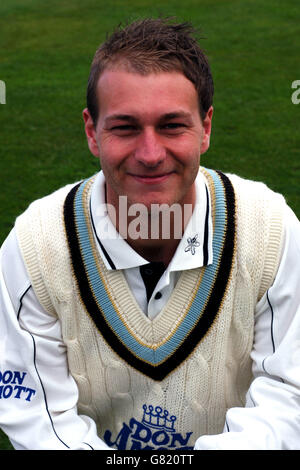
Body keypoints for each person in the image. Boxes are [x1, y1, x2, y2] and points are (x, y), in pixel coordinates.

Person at [0, 17, 300, 451]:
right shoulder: (36, 246)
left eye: (172, 125)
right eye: (125, 127)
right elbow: (39, 419)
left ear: (206, 128)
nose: (150, 153)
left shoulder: (271, 231)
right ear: (92, 132)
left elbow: (289, 395)